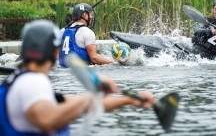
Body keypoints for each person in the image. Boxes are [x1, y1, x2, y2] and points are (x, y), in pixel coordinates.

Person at [0, 20, 154, 135]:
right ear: (55, 52)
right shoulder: (34, 81)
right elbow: (46, 120)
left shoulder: (19, 81)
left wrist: (130, 100)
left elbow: (81, 104)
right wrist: (91, 95)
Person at [59, 3, 113, 67]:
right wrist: (113, 63)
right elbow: (94, 58)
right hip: (80, 70)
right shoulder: (87, 32)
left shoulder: (62, 31)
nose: (92, 17)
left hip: (63, 69)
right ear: (84, 15)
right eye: (91, 14)